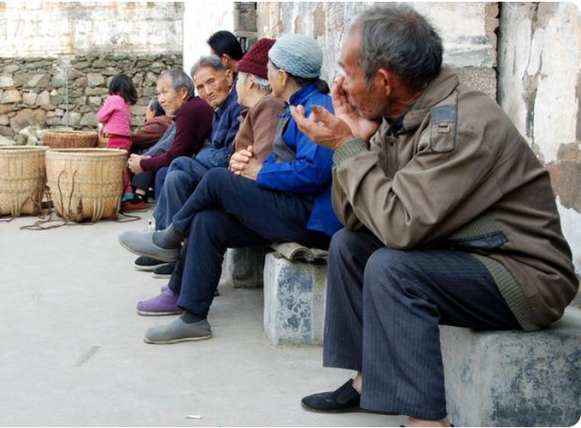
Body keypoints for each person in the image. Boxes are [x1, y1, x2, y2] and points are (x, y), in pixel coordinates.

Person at [287, 5, 578, 427]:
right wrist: (358, 143)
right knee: (349, 245)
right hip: (468, 252)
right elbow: (356, 220)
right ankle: (369, 380)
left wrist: (346, 148)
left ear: (383, 80)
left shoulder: (460, 125)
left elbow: (400, 228)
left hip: (524, 276)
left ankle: (427, 421)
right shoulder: (401, 119)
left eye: (347, 73)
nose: (341, 86)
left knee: (392, 268)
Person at [118, 34, 343, 342]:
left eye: (270, 70)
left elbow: (312, 173)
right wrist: (248, 162)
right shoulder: (294, 106)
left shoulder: (318, 109)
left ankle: (169, 238)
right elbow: (282, 160)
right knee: (207, 222)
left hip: (309, 218)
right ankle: (193, 316)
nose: (265, 76)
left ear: (283, 75)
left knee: (217, 179)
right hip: (288, 207)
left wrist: (260, 171)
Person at [130, 55, 245, 272]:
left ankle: (165, 242)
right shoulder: (215, 109)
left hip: (227, 178)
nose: (207, 91)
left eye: (211, 82)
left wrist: (145, 164)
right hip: (213, 171)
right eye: (201, 87)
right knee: (175, 175)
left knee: (178, 165)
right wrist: (147, 161)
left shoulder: (228, 107)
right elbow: (170, 145)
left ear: (229, 76)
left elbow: (223, 157)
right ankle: (170, 248)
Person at [126, 69, 213, 217]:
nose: (160, 100)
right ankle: (165, 224)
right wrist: (146, 160)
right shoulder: (190, 108)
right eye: (158, 94)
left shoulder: (190, 110)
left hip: (210, 168)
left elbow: (177, 154)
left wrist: (144, 163)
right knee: (163, 172)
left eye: (165, 92)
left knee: (165, 174)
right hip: (203, 164)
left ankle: (167, 225)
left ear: (183, 92)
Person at [121, 99, 174, 211]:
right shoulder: (167, 122)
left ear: (153, 111)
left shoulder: (158, 124)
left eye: (147, 110)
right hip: (164, 161)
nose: (146, 113)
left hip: (161, 163)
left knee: (146, 154)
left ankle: (139, 195)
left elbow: (137, 138)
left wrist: (119, 134)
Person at [96, 73, 138, 202]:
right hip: (125, 139)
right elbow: (128, 121)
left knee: (113, 167)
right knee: (122, 167)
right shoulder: (126, 103)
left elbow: (100, 117)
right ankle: (127, 192)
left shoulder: (113, 99)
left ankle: (122, 192)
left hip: (115, 138)